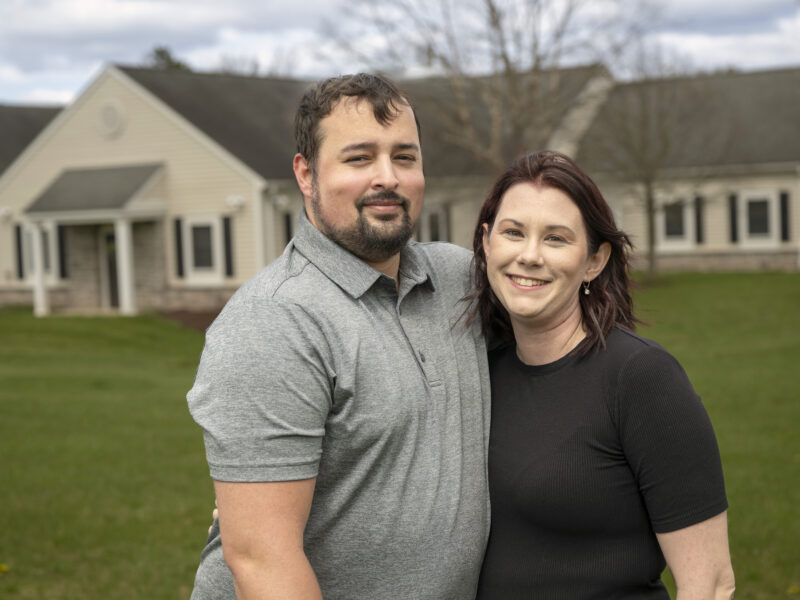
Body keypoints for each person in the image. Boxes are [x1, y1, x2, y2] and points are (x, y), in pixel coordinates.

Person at [186, 74, 491, 600]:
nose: (387, 178)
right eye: (359, 158)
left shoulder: (461, 281)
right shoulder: (274, 322)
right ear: (306, 175)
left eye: (404, 157)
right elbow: (262, 559)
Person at [467, 150, 735, 599]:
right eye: (514, 233)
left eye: (556, 239)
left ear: (594, 260)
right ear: (487, 243)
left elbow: (709, 584)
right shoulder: (479, 370)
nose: (529, 256)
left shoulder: (641, 378)